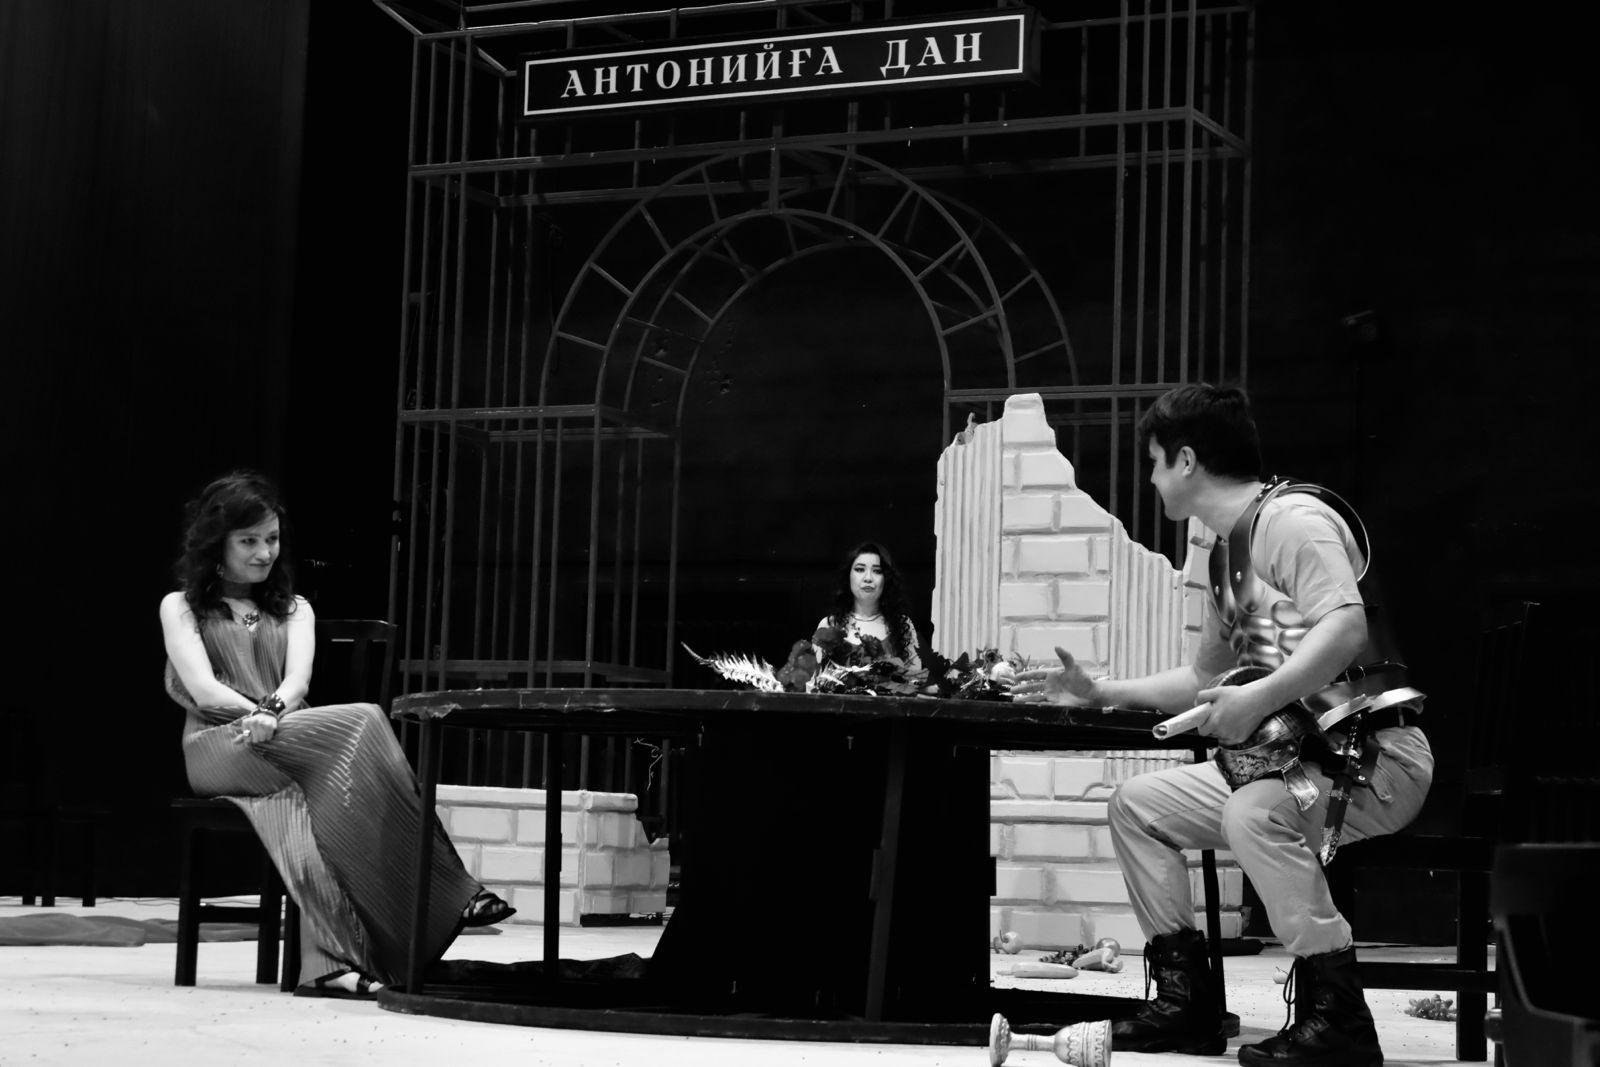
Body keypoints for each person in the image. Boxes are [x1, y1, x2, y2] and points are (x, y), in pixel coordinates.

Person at [1011, 384, 1432, 1066]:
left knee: (1251, 812)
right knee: (1137, 805)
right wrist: (1099, 691)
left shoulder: (1293, 521)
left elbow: (1346, 627)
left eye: (1154, 462)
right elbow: (1203, 680)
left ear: (1186, 460)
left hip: (1378, 759)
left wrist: (1257, 696)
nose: (1151, 479)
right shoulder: (1223, 555)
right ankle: (1188, 1006)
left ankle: (1340, 1021)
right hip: (1294, 764)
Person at [159, 471, 514, 998]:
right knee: (365, 718)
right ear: (218, 543)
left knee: (314, 809)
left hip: (285, 738)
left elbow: (297, 683)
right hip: (219, 746)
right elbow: (205, 691)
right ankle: (449, 890)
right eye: (249, 541)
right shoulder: (181, 605)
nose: (264, 553)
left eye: (272, 539)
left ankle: (331, 965)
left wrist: (272, 714)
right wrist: (258, 715)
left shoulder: (295, 608)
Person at [816, 541, 922, 670]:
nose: (868, 578)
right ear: (848, 576)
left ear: (886, 578)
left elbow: (915, 677)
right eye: (860, 569)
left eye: (877, 571)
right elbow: (816, 678)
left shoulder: (902, 625)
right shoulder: (830, 624)